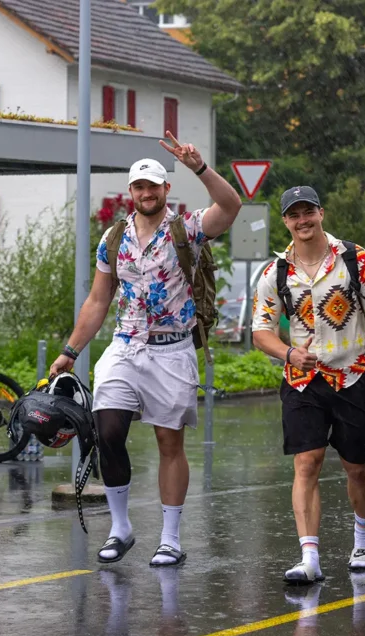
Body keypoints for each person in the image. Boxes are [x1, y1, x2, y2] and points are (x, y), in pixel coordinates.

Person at [50, 132, 242, 567]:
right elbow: (98, 301)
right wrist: (70, 350)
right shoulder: (113, 239)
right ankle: (121, 529)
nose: (146, 193)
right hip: (125, 347)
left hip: (173, 351)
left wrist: (199, 166)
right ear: (130, 192)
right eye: (139, 186)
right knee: (108, 431)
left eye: (153, 185)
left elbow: (231, 208)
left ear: (165, 190)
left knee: (168, 442)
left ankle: (170, 538)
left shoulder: (186, 229)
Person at [251, 185, 365, 584]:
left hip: (355, 376)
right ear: (286, 221)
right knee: (306, 462)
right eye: (294, 215)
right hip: (303, 381)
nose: (302, 220)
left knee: (356, 467)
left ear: (321, 213)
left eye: (309, 212)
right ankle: (309, 557)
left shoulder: (356, 260)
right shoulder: (277, 272)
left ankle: (362, 540)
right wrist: (289, 355)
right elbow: (261, 331)